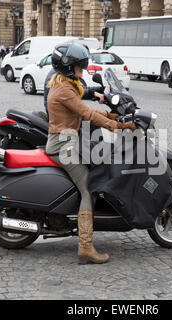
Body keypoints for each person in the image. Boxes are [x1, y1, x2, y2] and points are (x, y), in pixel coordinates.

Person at [45, 42, 136, 264]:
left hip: (68, 140)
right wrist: (118, 127)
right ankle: (85, 247)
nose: (83, 70)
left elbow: (84, 110)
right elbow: (86, 115)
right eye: (80, 66)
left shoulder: (63, 85)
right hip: (63, 145)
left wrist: (111, 116)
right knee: (89, 191)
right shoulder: (64, 89)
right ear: (68, 67)